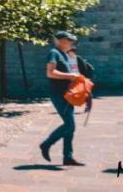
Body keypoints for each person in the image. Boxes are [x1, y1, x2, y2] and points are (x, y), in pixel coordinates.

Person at [39, 31, 84, 166]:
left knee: (70, 127)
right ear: (59, 40)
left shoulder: (64, 54)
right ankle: (46, 144)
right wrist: (70, 76)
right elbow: (50, 73)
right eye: (69, 40)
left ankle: (67, 157)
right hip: (59, 94)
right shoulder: (54, 53)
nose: (71, 43)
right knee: (70, 125)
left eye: (72, 41)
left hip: (68, 94)